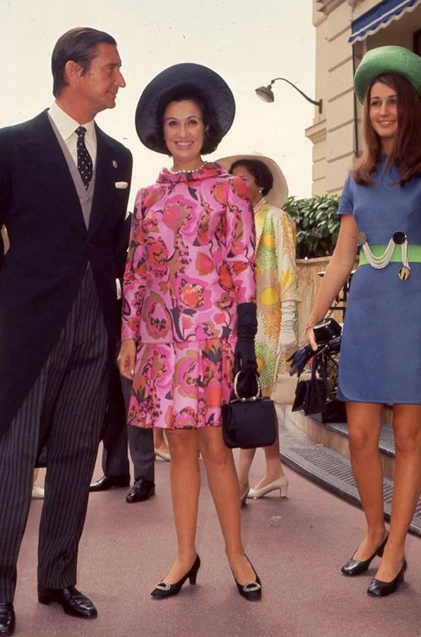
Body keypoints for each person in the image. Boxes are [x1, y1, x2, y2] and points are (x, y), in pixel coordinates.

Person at [305, 46, 421, 598]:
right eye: (375, 102)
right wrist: (314, 314)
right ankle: (374, 529)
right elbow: (343, 256)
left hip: (418, 311)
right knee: (363, 436)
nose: (384, 111)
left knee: (411, 437)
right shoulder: (357, 175)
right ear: (366, 110)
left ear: (411, 107)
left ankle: (396, 549)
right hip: (369, 311)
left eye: (394, 101)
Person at [0, 27, 132, 634]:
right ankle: (0, 588)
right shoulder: (10, 147)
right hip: (27, 332)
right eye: (110, 69)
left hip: (94, 330)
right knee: (13, 458)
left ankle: (57, 578)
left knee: (79, 456)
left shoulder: (119, 158)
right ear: (73, 73)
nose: (120, 81)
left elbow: (111, 249)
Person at [118, 63, 262, 601]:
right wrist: (129, 336)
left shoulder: (229, 191)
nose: (183, 132)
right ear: (162, 130)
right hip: (159, 338)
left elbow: (244, 263)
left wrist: (244, 338)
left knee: (214, 449)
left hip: (211, 338)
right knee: (177, 448)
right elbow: (135, 271)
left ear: (208, 130)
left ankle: (236, 555)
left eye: (193, 122)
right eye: (174, 123)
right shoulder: (148, 199)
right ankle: (184, 556)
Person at [219, 154, 300, 503]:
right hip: (238, 324)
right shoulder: (235, 222)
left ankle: (239, 480)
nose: (238, 185)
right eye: (232, 180)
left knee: (249, 395)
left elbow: (286, 270)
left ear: (261, 184)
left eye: (244, 179)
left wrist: (289, 323)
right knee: (256, 398)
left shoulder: (275, 219)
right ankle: (274, 471)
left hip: (266, 323)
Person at [90, 213, 157, 503]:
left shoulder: (141, 222)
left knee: (134, 399)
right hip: (102, 320)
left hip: (137, 326)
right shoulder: (97, 224)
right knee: (110, 401)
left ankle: (145, 476)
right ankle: (115, 470)